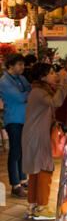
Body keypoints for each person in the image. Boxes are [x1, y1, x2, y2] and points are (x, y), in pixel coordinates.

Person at [22, 63, 67, 220]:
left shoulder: (39, 90)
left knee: (35, 171)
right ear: (43, 76)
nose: (54, 74)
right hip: (37, 136)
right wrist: (63, 82)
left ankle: (32, 205)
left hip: (34, 135)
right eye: (51, 72)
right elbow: (56, 102)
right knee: (44, 170)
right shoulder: (39, 92)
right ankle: (42, 207)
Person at [0, 54, 31, 198]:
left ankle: (23, 179)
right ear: (11, 66)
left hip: (24, 119)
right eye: (19, 64)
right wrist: (26, 94)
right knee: (15, 152)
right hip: (13, 120)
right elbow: (20, 97)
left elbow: (31, 91)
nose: (22, 67)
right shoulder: (4, 81)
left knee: (23, 151)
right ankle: (15, 185)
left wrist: (26, 93)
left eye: (23, 64)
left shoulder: (21, 78)